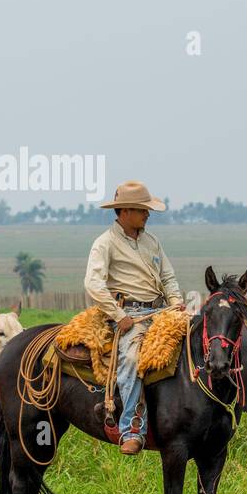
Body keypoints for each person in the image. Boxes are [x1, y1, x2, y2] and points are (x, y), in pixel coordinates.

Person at [84, 181, 184, 455]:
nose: (148, 215)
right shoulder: (105, 243)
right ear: (125, 211)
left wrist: (176, 304)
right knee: (131, 358)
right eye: (143, 210)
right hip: (132, 316)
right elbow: (93, 284)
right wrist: (119, 315)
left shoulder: (152, 241)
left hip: (161, 311)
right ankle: (132, 428)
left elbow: (168, 277)